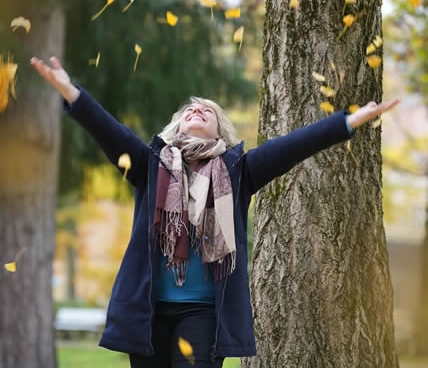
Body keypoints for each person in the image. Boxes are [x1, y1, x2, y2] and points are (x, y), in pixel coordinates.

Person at [31, 56, 399, 368]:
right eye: (190, 109)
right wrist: (68, 90)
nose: (197, 110)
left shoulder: (238, 172)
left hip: (204, 313)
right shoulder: (151, 166)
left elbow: (292, 147)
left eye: (206, 110)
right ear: (177, 127)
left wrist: (348, 122)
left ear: (218, 130)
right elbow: (108, 131)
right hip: (149, 312)